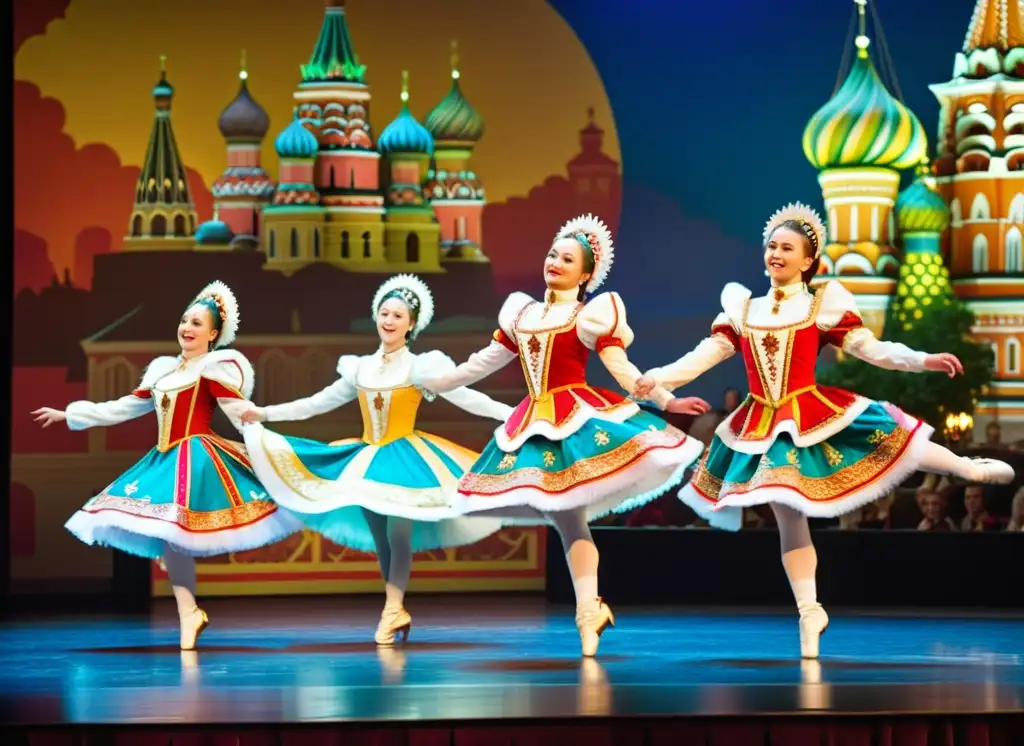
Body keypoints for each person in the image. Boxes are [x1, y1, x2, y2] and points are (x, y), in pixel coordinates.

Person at [634, 201, 1015, 659]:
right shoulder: (743, 309)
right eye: (771, 245)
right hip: (760, 423)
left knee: (889, 435)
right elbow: (702, 355)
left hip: (809, 410)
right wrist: (661, 379)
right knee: (787, 517)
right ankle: (810, 610)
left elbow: (870, 349)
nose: (775, 253)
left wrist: (923, 360)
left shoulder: (821, 304)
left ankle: (964, 467)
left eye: (786, 247)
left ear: (808, 260)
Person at [414, 214, 709, 657]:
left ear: (586, 273)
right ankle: (590, 609)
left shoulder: (590, 314)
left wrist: (666, 403)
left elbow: (622, 369)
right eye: (553, 254)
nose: (555, 262)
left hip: (574, 418)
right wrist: (437, 383)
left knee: (571, 520)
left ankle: (588, 610)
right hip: (532, 422)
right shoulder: (522, 313)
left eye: (567, 259)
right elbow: (484, 361)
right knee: (568, 522)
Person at [238, 275, 513, 645]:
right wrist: (266, 414)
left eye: (398, 315)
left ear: (411, 324)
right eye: (384, 312)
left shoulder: (422, 367)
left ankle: (391, 609)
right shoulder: (360, 368)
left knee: (398, 536)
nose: (389, 320)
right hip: (366, 459)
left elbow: (467, 398)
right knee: (382, 540)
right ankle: (395, 607)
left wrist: (511, 415)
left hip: (404, 458)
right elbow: (317, 403)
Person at [31, 281, 301, 650]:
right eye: (184, 320)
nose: (187, 328)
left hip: (196, 457)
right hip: (164, 457)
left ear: (213, 335)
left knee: (174, 535)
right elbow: (123, 406)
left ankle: (188, 613)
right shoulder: (163, 374)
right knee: (170, 538)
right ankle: (189, 613)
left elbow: (241, 414)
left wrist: (270, 448)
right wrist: (71, 414)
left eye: (197, 323)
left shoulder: (212, 370)